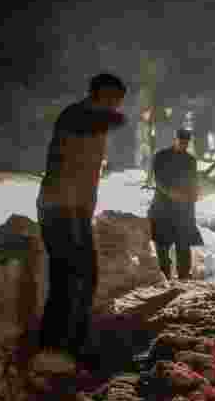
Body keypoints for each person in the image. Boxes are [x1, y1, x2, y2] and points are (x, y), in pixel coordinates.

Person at [36, 73, 128, 367]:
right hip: (59, 207)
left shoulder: (94, 121)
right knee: (67, 277)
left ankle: (72, 344)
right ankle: (54, 347)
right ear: (97, 94)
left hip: (77, 209)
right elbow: (89, 124)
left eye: (119, 101)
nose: (116, 106)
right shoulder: (75, 116)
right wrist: (114, 120)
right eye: (113, 99)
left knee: (84, 277)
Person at [148, 129, 204, 281]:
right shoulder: (161, 156)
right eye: (181, 142)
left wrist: (197, 192)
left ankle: (183, 278)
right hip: (163, 209)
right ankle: (164, 277)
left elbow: (194, 181)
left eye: (186, 143)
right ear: (175, 140)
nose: (183, 145)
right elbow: (159, 181)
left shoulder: (191, 160)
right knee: (162, 245)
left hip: (183, 210)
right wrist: (172, 193)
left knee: (183, 246)